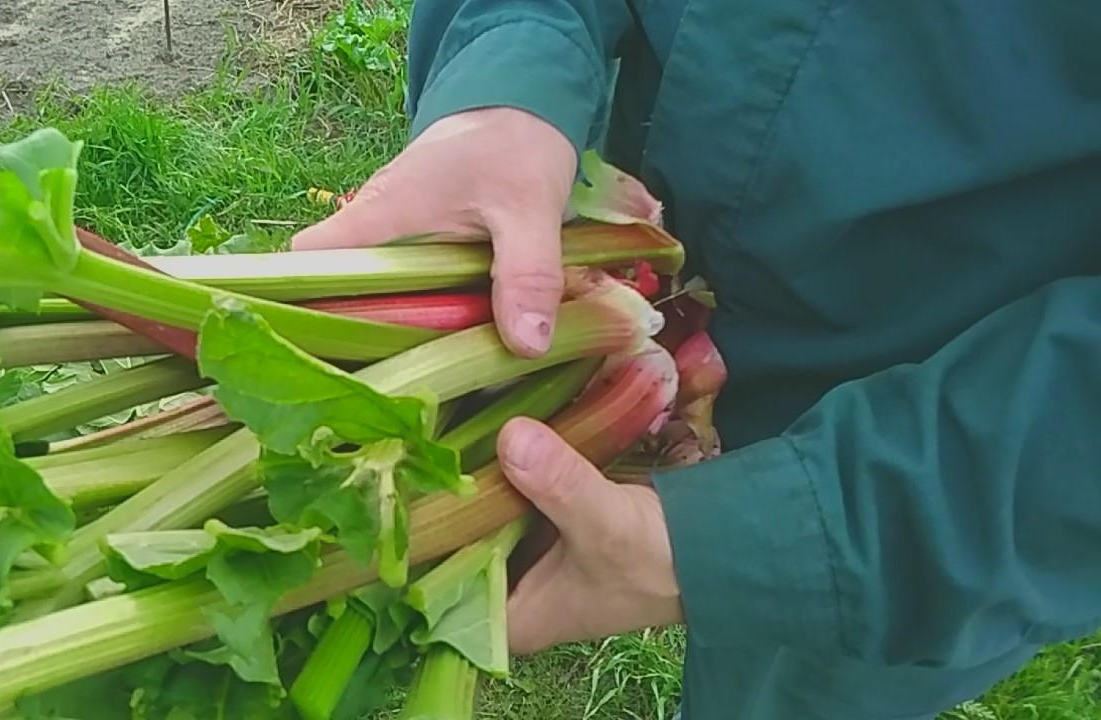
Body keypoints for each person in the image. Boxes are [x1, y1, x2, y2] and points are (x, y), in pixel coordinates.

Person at [290, 1, 1101, 718]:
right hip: (619, 270)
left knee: (801, 681)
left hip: (932, 458)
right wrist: (509, 73)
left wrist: (795, 539)